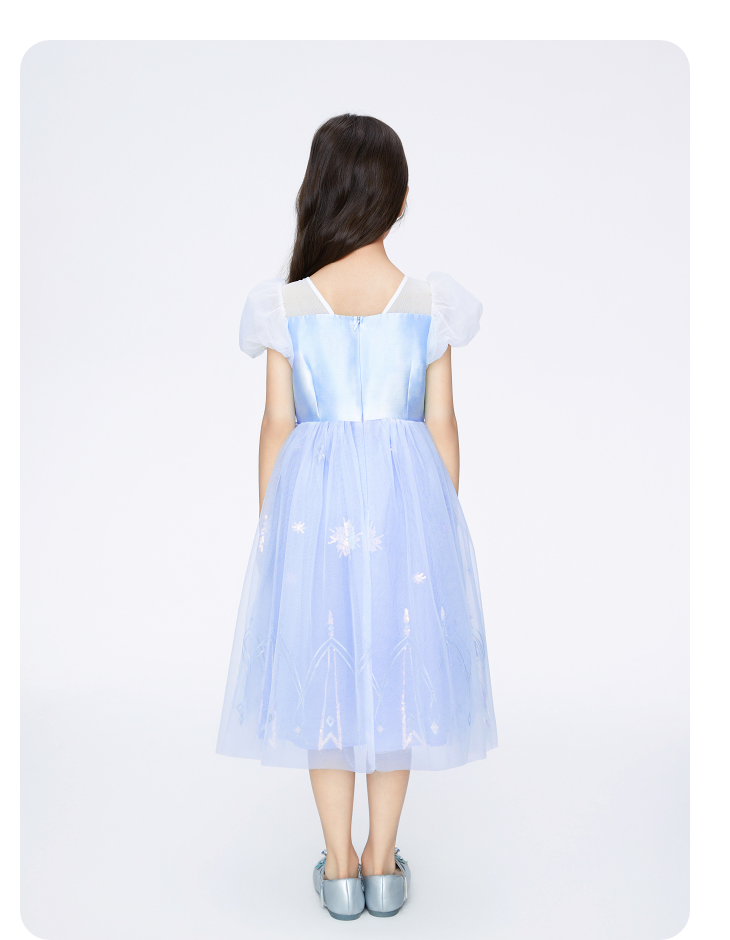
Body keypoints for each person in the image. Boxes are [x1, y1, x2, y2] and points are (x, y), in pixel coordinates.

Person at [216, 113, 497, 919]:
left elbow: (278, 423)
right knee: (396, 674)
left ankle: (339, 868)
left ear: (318, 192)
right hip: (405, 513)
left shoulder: (287, 306)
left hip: (315, 518)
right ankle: (384, 862)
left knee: (327, 679)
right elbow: (441, 423)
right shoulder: (430, 304)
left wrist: (273, 526)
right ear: (398, 199)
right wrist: (438, 522)